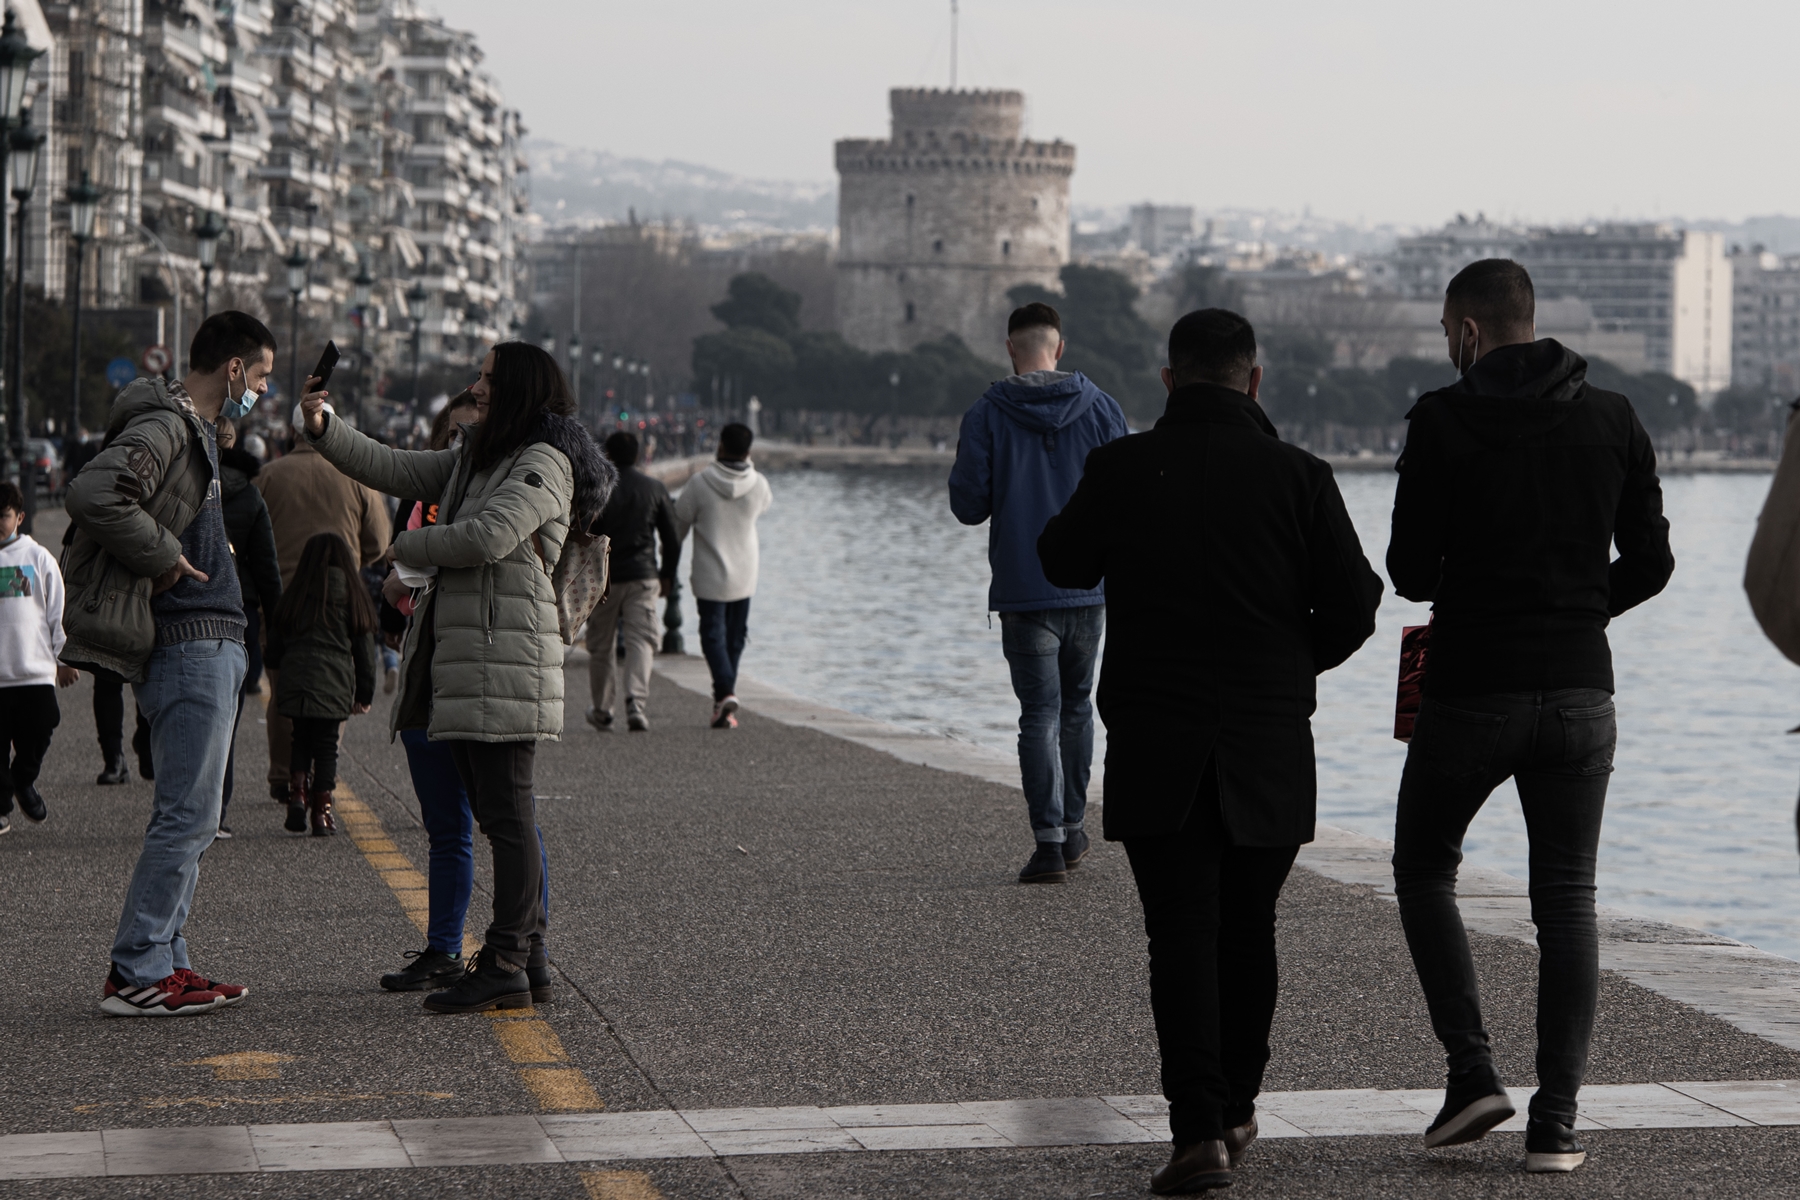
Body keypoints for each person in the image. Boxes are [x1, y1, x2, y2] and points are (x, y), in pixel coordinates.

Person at [1039, 308, 1383, 1194]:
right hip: (1268, 741)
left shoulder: (1121, 468)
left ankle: (1196, 1131)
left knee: (1179, 938)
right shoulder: (1299, 475)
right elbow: (1355, 604)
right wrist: (1289, 660)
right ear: (1254, 380)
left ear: (1167, 380)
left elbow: (1061, 558)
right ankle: (1236, 1109)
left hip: (1157, 739)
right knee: (1249, 932)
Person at [1386, 260, 1675, 1173]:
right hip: (1582, 692)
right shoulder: (1614, 416)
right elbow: (1655, 561)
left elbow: (1411, 575)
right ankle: (1557, 1125)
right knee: (1567, 901)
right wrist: (1584, 604)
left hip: (1473, 684)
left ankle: (1473, 1073)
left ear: (1468, 332)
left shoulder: (1441, 419)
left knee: (1425, 867)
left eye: (1445, 331)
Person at [299, 341, 613, 1013]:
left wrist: (405, 551)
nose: (476, 387)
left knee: (508, 817)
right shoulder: (478, 457)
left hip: (506, 661)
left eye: (489, 379)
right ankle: (524, 964)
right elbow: (396, 466)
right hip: (474, 658)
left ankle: (507, 957)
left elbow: (489, 537)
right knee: (503, 816)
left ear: (522, 390)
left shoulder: (544, 462)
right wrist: (325, 428)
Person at [65, 310, 270, 1017]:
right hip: (187, 640)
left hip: (208, 637)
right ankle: (137, 969)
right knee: (185, 817)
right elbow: (93, 494)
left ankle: (169, 960)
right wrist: (162, 555)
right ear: (234, 369)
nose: (262, 392)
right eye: (261, 376)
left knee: (198, 816)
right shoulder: (167, 425)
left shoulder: (202, 434)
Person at [948, 301, 1130, 883]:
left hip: (1025, 591)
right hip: (1090, 590)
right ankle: (1073, 827)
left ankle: (1048, 842)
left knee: (1038, 715)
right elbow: (1125, 505)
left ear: (1009, 348)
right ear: (1061, 346)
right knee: (1079, 710)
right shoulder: (1102, 409)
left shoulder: (986, 414)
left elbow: (967, 506)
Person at [256, 400, 392, 803]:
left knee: (283, 688)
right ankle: (321, 776)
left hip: (281, 600)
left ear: (291, 432)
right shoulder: (356, 478)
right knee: (337, 687)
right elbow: (379, 542)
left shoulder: (267, 476)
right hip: (341, 596)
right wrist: (353, 563)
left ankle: (284, 774)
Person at [266, 531, 376, 836]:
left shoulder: (295, 594)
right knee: (327, 747)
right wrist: (364, 694)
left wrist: (278, 672)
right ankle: (322, 811)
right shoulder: (353, 597)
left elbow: (274, 648)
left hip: (297, 682)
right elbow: (365, 654)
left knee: (300, 738)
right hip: (334, 683)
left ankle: (297, 793)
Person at [675, 422, 772, 728]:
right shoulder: (758, 484)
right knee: (735, 636)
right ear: (748, 451)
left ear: (719, 446)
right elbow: (764, 507)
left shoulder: (700, 483)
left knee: (712, 634)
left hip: (709, 573)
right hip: (745, 572)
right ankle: (724, 702)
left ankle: (725, 691)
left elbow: (679, 521)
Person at [586, 429, 680, 733]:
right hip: (643, 576)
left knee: (601, 645)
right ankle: (635, 702)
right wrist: (667, 575)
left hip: (604, 578)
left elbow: (583, 536)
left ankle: (602, 709)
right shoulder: (655, 488)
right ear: (638, 456)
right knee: (642, 641)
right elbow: (672, 539)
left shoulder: (598, 489)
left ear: (607, 456)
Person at [0, 482, 79, 837]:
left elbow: (55, 612)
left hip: (34, 669)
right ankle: (1, 808)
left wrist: (63, 658)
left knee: (44, 723)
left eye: (3, 516)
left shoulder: (38, 557)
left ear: (19, 517)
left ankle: (22, 779)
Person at [216, 419, 282, 839]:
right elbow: (265, 564)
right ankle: (215, 811)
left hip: (181, 608)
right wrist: (275, 623)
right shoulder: (249, 494)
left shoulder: (181, 478)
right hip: (239, 611)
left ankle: (178, 806)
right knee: (228, 716)